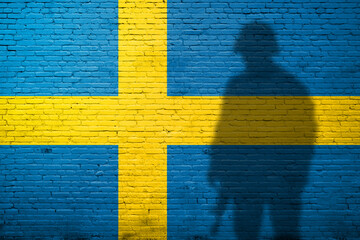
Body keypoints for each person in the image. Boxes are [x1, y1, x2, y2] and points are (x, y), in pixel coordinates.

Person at [208, 20, 317, 240]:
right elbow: (226, 130)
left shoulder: (289, 87)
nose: (248, 57)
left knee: (283, 232)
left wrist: (292, 176)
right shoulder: (239, 86)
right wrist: (218, 166)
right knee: (251, 231)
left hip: (278, 177)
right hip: (250, 178)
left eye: (251, 51)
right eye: (246, 52)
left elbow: (304, 136)